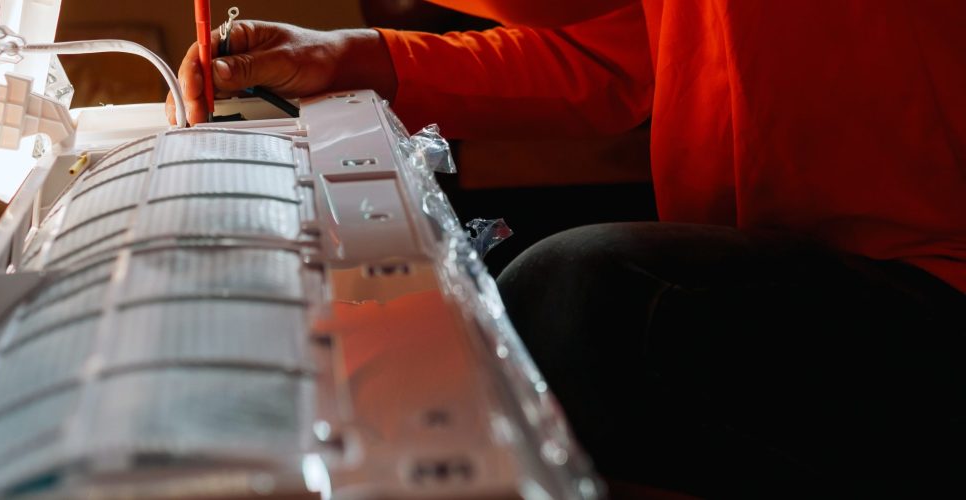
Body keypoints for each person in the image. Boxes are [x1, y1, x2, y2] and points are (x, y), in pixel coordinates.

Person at [169, 1, 966, 497]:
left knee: (585, 298)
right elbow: (630, 57)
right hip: (800, 261)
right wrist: (360, 56)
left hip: (938, 291)